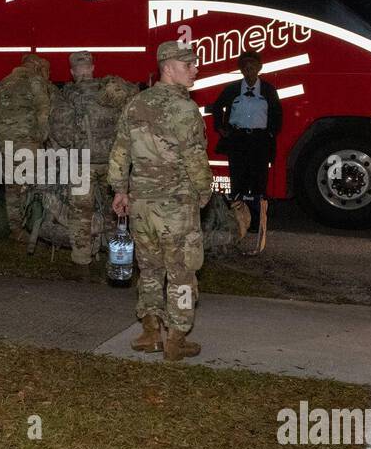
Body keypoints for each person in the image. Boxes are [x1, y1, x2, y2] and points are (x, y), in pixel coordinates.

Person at [109, 41, 213, 362]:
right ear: (168, 67)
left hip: (141, 206)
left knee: (150, 269)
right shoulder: (184, 109)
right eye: (188, 64)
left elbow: (120, 150)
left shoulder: (135, 103)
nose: (195, 69)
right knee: (181, 271)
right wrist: (204, 190)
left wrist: (120, 190)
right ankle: (176, 338)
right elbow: (195, 156)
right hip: (176, 207)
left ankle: (151, 332)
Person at [47, 51, 134, 281]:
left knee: (81, 213)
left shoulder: (68, 95)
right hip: (112, 162)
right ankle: (113, 257)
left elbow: (59, 130)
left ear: (73, 71)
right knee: (113, 211)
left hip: (81, 162)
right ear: (93, 67)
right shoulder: (112, 91)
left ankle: (82, 264)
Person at [0, 53, 53, 240]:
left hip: (6, 142)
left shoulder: (3, 83)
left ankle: (16, 229)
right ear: (34, 66)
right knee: (33, 186)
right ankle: (35, 229)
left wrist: (2, 138)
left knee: (12, 186)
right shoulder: (35, 82)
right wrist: (42, 137)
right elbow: (44, 111)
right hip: (29, 143)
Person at [211, 50, 282, 203]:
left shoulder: (268, 90)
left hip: (260, 141)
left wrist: (270, 133)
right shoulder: (233, 89)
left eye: (253, 67)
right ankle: (239, 220)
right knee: (238, 182)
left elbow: (277, 114)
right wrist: (221, 128)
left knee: (259, 183)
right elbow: (217, 107)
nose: (249, 70)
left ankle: (257, 222)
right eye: (246, 67)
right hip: (238, 140)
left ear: (259, 68)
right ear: (241, 69)